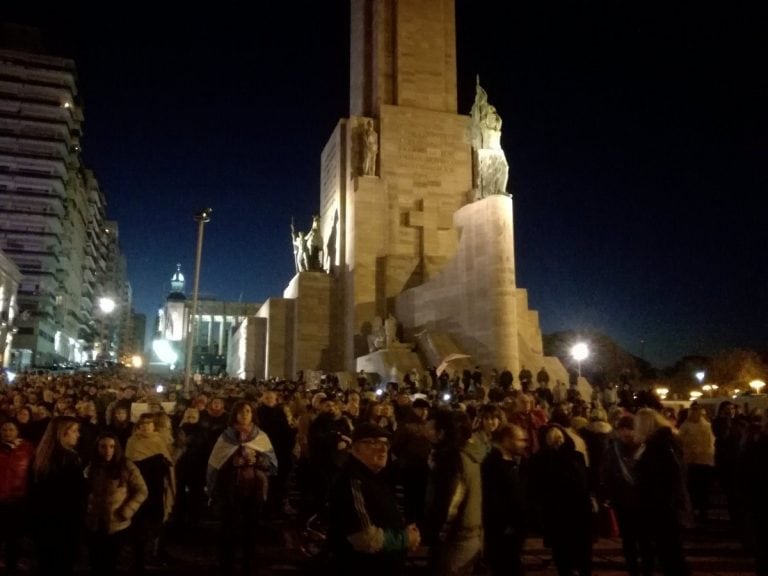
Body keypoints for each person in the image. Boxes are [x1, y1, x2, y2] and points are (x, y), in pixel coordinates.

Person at [328, 422, 420, 575]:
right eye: (373, 442)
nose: (383, 449)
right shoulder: (353, 481)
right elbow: (365, 537)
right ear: (354, 448)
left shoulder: (373, 476)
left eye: (385, 443)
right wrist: (405, 538)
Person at [207, 399, 278, 576]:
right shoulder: (226, 437)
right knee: (228, 528)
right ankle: (226, 563)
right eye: (240, 412)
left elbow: (272, 462)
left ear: (252, 414)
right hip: (230, 490)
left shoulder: (260, 436)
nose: (244, 415)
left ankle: (249, 562)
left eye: (247, 411)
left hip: (253, 490)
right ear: (234, 415)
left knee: (251, 528)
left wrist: (259, 460)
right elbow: (215, 463)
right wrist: (232, 462)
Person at [634, 408, 691, 576]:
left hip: (660, 508)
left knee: (669, 552)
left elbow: (665, 478)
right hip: (660, 506)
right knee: (668, 551)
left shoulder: (659, 446)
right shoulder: (663, 443)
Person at [85, 432, 148, 576]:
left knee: (110, 562)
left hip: (116, 523)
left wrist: (127, 510)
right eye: (103, 447)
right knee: (95, 561)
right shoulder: (92, 466)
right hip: (94, 522)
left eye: (112, 447)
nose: (108, 451)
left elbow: (142, 490)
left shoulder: (126, 466)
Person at [29, 415, 85, 576]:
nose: (78, 434)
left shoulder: (39, 457)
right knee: (62, 563)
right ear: (62, 433)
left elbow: (32, 491)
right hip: (65, 523)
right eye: (74, 431)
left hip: (43, 522)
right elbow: (77, 492)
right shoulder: (69, 459)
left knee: (46, 563)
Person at [481, 423, 529, 576]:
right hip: (503, 532)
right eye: (520, 440)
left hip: (511, 530)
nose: (524, 444)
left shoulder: (511, 463)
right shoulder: (494, 465)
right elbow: (494, 499)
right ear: (507, 440)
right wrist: (506, 524)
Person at [0, 419, 36, 573]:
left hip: (19, 500)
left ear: (17, 431)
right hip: (1, 498)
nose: (7, 433)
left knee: (14, 537)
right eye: (4, 430)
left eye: (11, 429)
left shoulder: (27, 448)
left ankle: (11, 564)